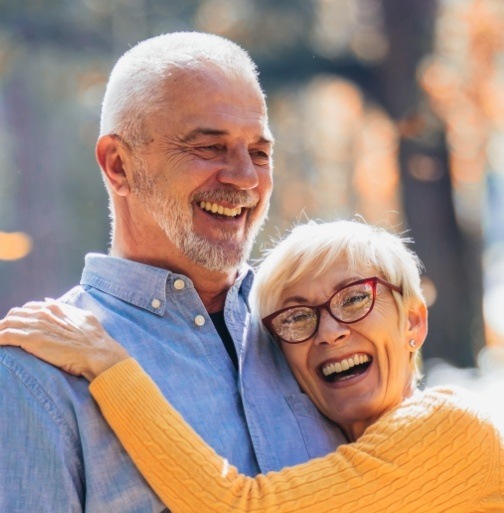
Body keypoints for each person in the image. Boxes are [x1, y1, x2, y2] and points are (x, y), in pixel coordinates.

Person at [0, 33, 343, 512]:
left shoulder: (324, 337)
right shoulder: (37, 372)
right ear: (118, 165)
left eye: (260, 153)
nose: (245, 177)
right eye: (208, 147)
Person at [2, 220, 502, 512]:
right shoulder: (340, 451)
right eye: (298, 317)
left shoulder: (452, 430)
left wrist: (107, 362)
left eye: (354, 301)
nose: (329, 332)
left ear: (413, 322)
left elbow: (239, 507)